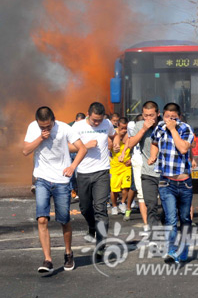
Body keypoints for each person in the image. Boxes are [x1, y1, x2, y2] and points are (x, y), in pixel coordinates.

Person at [23, 106, 87, 274]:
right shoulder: (33, 128)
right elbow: (25, 151)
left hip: (62, 181)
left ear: (53, 120)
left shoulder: (65, 128)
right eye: (42, 126)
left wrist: (72, 166)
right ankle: (48, 259)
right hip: (42, 178)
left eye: (48, 126)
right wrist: (40, 138)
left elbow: (82, 148)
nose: (45, 129)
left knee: (64, 219)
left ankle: (68, 253)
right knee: (42, 219)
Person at [148, 102, 194, 263]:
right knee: (171, 218)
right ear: (163, 116)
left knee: (185, 218)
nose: (169, 120)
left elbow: (183, 148)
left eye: (173, 118)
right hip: (166, 183)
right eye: (167, 117)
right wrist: (153, 155)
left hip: (185, 183)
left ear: (179, 117)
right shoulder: (159, 127)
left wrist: (173, 129)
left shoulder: (185, 129)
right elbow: (154, 143)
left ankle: (185, 247)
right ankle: (171, 250)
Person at [72, 102, 116, 256]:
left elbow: (113, 134)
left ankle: (101, 243)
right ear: (88, 114)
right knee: (85, 207)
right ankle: (92, 226)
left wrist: (115, 143)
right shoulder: (77, 127)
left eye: (99, 120)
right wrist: (85, 146)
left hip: (102, 172)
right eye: (94, 120)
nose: (97, 123)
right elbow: (68, 146)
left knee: (100, 209)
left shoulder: (107, 123)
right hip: (83, 172)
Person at [125, 101, 161, 233]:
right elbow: (130, 143)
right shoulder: (139, 125)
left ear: (158, 114)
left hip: (165, 172)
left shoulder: (164, 125)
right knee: (150, 204)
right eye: (146, 115)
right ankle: (153, 233)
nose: (149, 119)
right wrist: (144, 129)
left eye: (151, 115)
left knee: (168, 205)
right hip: (148, 171)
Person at [109, 117, 131, 216]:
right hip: (115, 167)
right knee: (114, 189)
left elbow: (135, 148)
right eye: (122, 128)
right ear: (118, 126)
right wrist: (112, 145)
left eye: (126, 128)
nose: (124, 130)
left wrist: (131, 160)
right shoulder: (112, 135)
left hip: (126, 166)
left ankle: (122, 203)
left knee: (126, 186)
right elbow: (107, 148)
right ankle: (114, 206)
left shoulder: (130, 135)